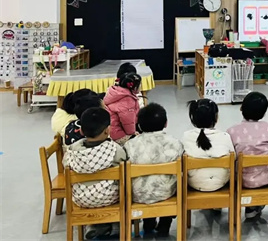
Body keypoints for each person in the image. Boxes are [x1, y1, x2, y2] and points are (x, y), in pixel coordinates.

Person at [63, 108, 127, 239]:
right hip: (110, 198)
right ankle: (115, 224)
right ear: (107, 130)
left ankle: (95, 225)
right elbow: (124, 165)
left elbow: (65, 164)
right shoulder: (115, 150)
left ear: (81, 131)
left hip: (82, 199)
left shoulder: (73, 151)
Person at [124, 103, 183, 237]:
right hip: (167, 193)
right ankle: (165, 222)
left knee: (145, 182)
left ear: (139, 125)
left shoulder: (130, 145)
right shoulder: (175, 143)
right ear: (166, 123)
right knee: (173, 180)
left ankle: (148, 221)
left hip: (139, 194)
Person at [227, 92, 268, 219]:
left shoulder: (232, 131)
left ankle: (251, 206)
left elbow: (230, 156)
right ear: (264, 113)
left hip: (243, 180)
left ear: (241, 108)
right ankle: (265, 205)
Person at [183, 99, 235, 192]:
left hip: (194, 183)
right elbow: (234, 158)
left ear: (193, 118)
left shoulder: (186, 136)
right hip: (221, 183)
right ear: (216, 117)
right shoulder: (225, 136)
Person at [104, 72, 142, 145]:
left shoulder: (115, 91)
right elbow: (127, 121)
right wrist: (132, 133)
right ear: (134, 87)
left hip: (109, 130)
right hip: (117, 134)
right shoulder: (127, 100)